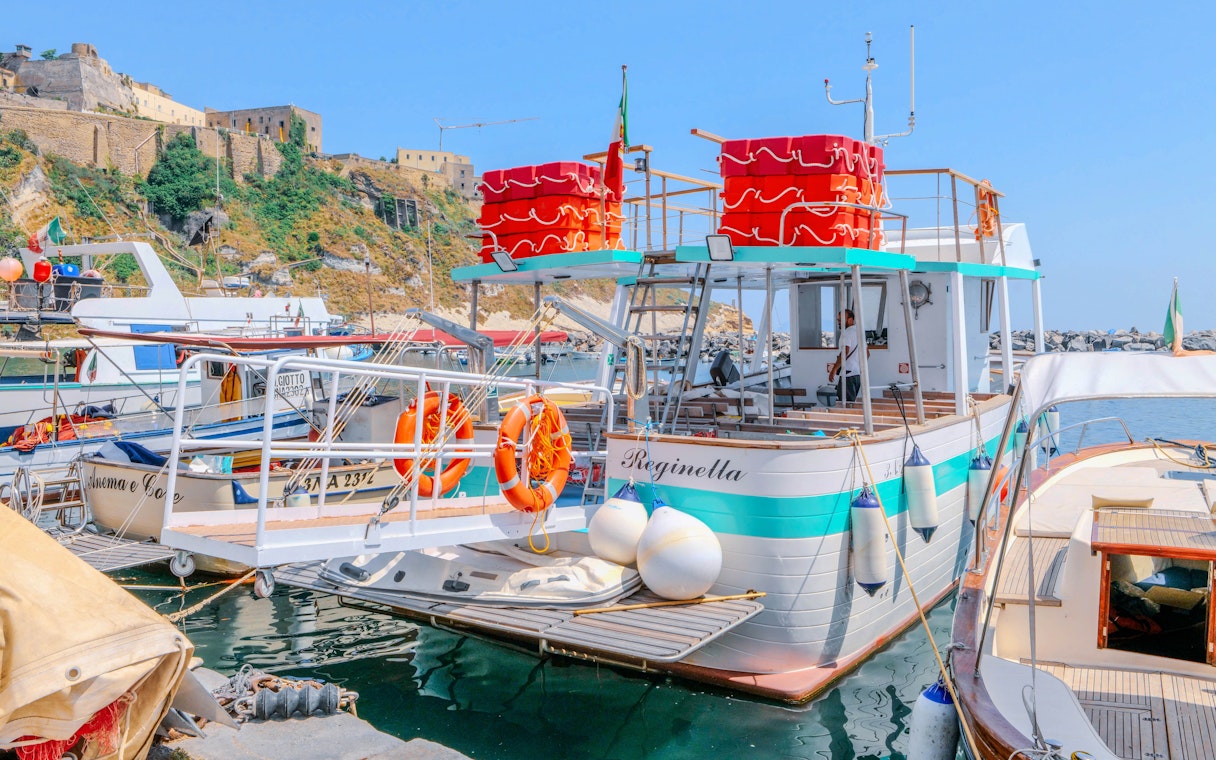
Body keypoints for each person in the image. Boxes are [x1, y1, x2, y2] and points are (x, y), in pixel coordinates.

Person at [827, 309, 862, 403]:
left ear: (850, 320)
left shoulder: (846, 334)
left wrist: (834, 369)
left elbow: (844, 353)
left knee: (844, 404)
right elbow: (867, 354)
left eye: (841, 320)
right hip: (857, 375)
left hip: (847, 375)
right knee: (851, 403)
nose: (838, 322)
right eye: (838, 320)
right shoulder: (860, 333)